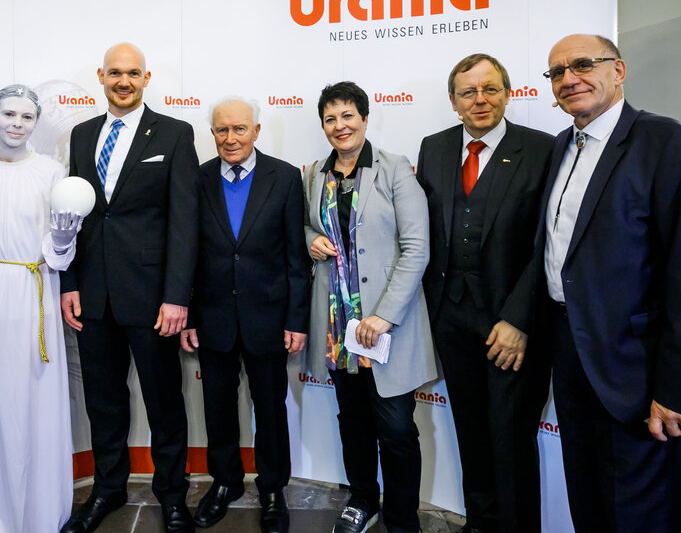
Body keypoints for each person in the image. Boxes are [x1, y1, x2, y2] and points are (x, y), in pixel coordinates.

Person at [539, 34, 681, 532]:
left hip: (638, 369)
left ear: (619, 71)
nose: (568, 79)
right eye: (557, 72)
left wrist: (679, 389)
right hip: (571, 352)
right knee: (587, 497)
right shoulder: (563, 144)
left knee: (641, 511)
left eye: (582, 65)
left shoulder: (666, 142)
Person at [59, 42, 200, 533]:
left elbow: (185, 220)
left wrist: (177, 295)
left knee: (164, 401)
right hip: (93, 294)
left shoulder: (176, 134)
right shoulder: (81, 135)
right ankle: (108, 488)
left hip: (153, 297)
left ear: (146, 78)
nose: (124, 81)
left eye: (133, 73)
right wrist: (69, 282)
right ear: (101, 76)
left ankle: (172, 494)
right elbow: (70, 214)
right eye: (115, 73)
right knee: (103, 400)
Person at [416, 54, 553, 533]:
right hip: (450, 318)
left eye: (490, 89)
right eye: (468, 92)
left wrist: (518, 319)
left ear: (508, 92)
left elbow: (548, 244)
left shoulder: (542, 149)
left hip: (511, 324)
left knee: (511, 439)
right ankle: (479, 523)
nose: (480, 100)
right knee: (470, 433)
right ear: (453, 102)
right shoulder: (433, 148)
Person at [0, 84, 82, 531]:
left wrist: (63, 240)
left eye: (26, 117)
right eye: (9, 114)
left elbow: (58, 255)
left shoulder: (52, 172)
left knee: (35, 407)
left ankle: (40, 514)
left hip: (34, 299)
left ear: (35, 122)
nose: (16, 124)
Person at [304, 81, 436, 533]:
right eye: (330, 118)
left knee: (396, 429)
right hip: (338, 325)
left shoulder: (395, 169)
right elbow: (306, 227)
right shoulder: (316, 174)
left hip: (386, 324)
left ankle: (402, 518)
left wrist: (384, 316)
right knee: (353, 420)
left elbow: (417, 247)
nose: (339, 126)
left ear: (364, 117)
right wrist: (311, 240)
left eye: (347, 116)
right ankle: (363, 499)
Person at [180, 97, 310, 533]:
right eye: (221, 130)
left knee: (270, 408)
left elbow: (296, 256)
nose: (230, 139)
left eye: (239, 129)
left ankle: (273, 488)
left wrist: (295, 320)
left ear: (256, 130)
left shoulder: (286, 177)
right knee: (217, 408)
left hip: (269, 318)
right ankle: (225, 483)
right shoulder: (195, 179)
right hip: (212, 317)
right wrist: (191, 315)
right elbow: (188, 253)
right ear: (212, 132)